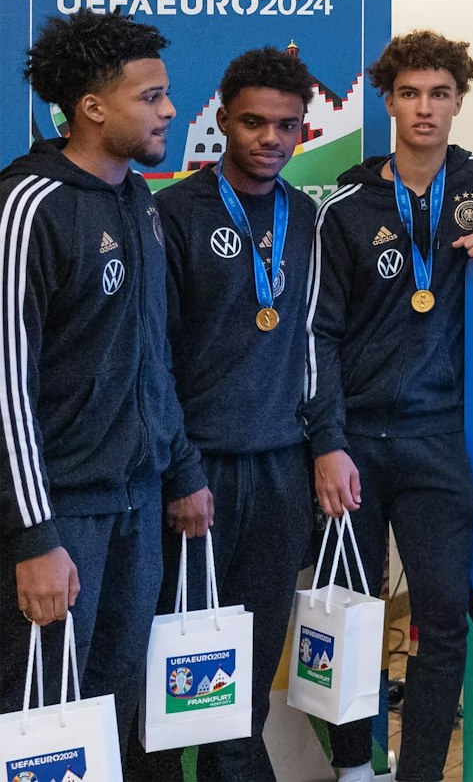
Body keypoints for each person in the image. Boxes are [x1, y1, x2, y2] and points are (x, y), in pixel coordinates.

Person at [306, 30, 473, 782]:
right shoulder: (346, 201)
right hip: (354, 442)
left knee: (443, 616)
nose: (425, 109)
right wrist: (325, 439)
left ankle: (417, 773)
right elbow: (318, 328)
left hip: (442, 435)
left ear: (458, 100)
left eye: (439, 93)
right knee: (351, 609)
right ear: (387, 101)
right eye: (409, 93)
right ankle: (353, 766)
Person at [0, 10, 211, 766]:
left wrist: (181, 468)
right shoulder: (28, 208)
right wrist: (34, 538)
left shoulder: (141, 201)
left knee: (111, 714)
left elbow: (155, 353)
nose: (169, 111)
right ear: (92, 108)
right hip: (60, 518)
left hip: (139, 503)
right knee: (39, 725)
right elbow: (4, 387)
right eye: (150, 97)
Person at [134, 47, 322, 781]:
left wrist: (326, 445)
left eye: (287, 126)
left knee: (241, 688)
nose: (270, 138)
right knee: (171, 674)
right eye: (253, 122)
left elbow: (314, 342)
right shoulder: (171, 212)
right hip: (192, 474)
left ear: (304, 130)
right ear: (221, 121)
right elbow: (153, 359)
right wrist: (181, 471)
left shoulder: (308, 217)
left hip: (280, 471)